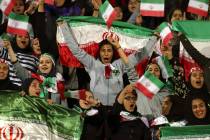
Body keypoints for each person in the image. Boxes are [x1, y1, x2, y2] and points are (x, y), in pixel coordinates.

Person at [57, 22, 158, 106]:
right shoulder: (92, 63)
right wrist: (64, 27)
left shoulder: (120, 64)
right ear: (99, 52)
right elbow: (76, 50)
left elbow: (140, 56)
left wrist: (154, 39)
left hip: (117, 108)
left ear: (113, 52)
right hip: (97, 107)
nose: (106, 53)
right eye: (103, 50)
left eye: (109, 50)